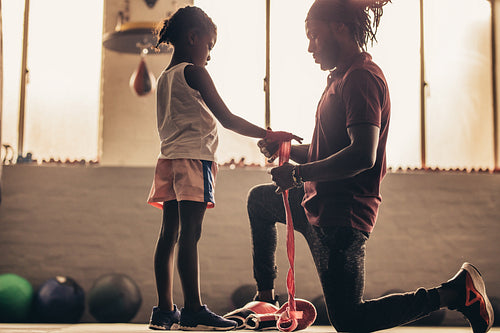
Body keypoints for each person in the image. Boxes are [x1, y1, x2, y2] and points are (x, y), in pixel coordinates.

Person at [247, 0, 494, 332]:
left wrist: (297, 174)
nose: (309, 47)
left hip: (341, 217)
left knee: (349, 320)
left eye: (314, 36)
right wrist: (287, 150)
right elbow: (326, 152)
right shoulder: (338, 78)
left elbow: (363, 155)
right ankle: (266, 299)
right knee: (259, 201)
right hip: (314, 204)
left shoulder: (362, 79)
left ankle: (457, 292)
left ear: (340, 28)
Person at [146, 6, 301, 331]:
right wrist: (270, 134)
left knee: (168, 234)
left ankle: (164, 309)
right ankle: (192, 309)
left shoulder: (164, 78)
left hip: (168, 161)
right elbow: (227, 119)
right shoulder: (195, 72)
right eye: (209, 46)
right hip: (193, 161)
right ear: (193, 38)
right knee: (191, 234)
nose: (210, 56)